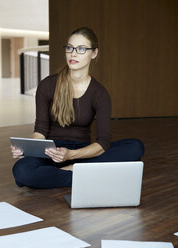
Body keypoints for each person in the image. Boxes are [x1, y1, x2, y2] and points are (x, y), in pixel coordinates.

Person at [11, 27, 144, 189]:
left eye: (81, 49)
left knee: (135, 147)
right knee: (22, 170)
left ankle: (65, 172)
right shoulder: (47, 85)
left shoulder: (99, 93)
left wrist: (71, 155)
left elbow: (103, 143)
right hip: (52, 152)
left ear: (94, 53)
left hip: (83, 153)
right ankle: (82, 174)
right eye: (70, 48)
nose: (73, 54)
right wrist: (28, 148)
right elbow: (40, 130)